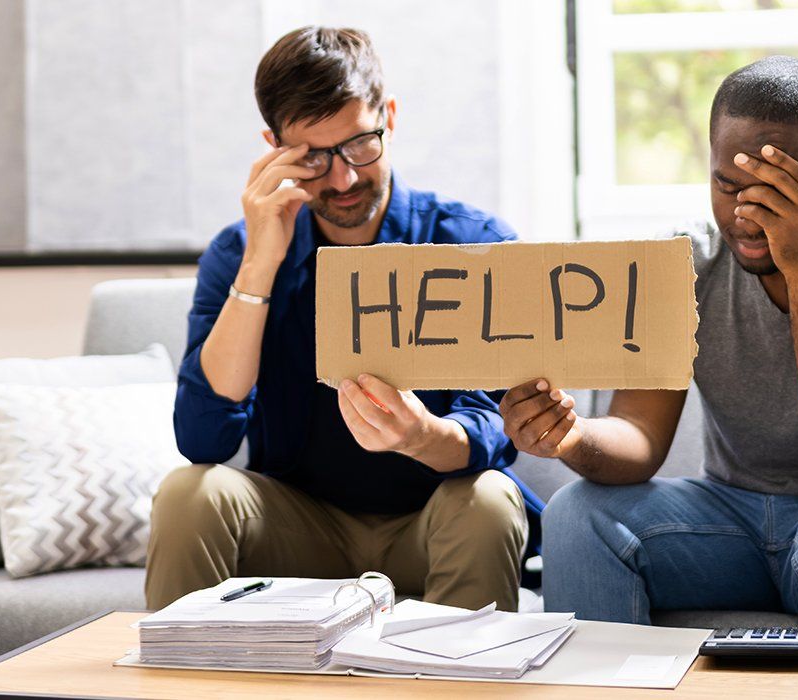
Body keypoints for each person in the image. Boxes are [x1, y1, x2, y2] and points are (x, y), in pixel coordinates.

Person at [499, 56, 798, 700]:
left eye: (775, 191)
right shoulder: (682, 263)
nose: (747, 215)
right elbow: (639, 435)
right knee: (579, 514)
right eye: (727, 185)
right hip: (735, 522)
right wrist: (570, 437)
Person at [145, 26, 538, 613]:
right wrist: (261, 263)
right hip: (297, 526)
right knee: (188, 494)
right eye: (312, 157)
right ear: (273, 147)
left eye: (360, 144)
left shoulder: (474, 245)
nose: (343, 179)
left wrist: (420, 435)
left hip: (432, 522)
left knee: (488, 498)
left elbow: (499, 426)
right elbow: (204, 437)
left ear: (391, 117)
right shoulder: (237, 254)